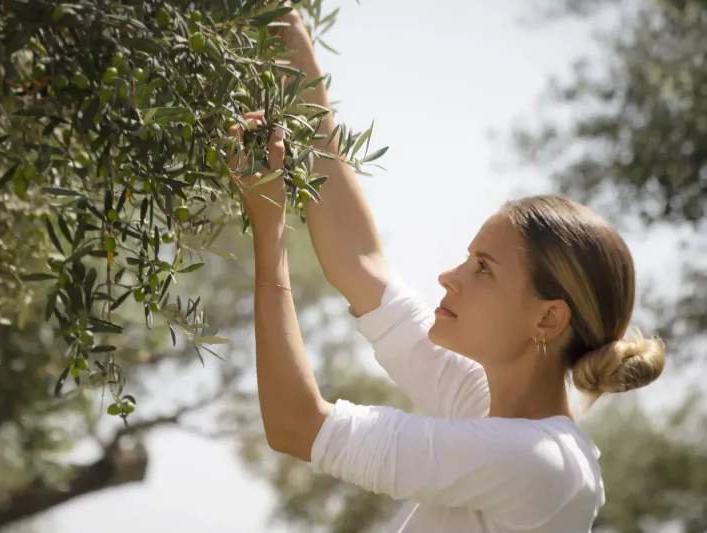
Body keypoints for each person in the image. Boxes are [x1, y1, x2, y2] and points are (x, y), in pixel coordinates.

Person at [229, 10, 666, 533]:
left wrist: (269, 229)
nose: (448, 277)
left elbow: (297, 425)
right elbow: (360, 264)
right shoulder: (484, 404)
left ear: (548, 320)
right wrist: (296, 52)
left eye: (483, 268)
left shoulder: (539, 461)